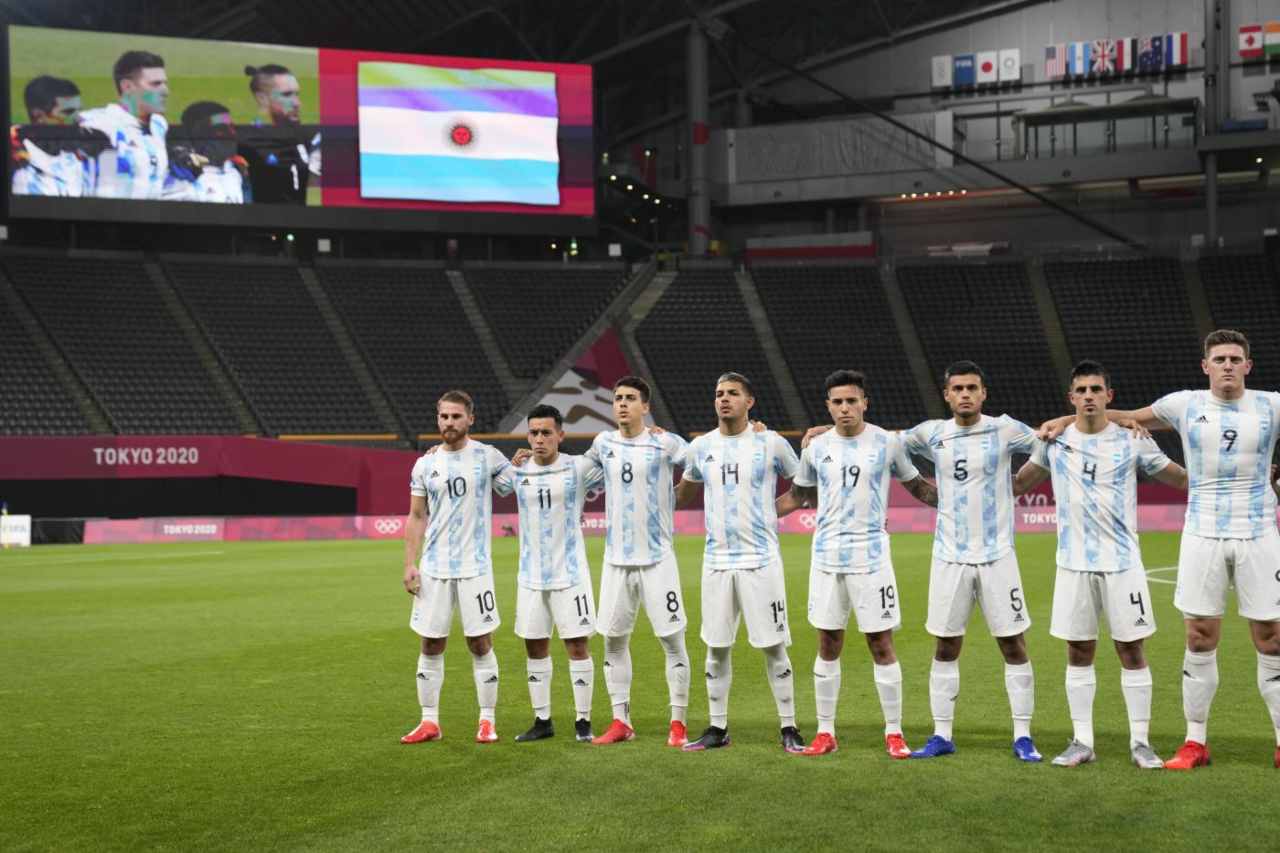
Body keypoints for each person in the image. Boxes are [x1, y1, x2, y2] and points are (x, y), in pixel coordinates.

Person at [1039, 329, 1280, 770]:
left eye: (1235, 359)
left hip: (1260, 532)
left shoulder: (1272, 405)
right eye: (1219, 359)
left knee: (1272, 637)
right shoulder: (1184, 404)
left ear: (1248, 365)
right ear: (1205, 366)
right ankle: (1195, 742)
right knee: (1199, 635)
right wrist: (1062, 420)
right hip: (1202, 532)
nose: (1227, 366)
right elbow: (1117, 414)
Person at [1016, 360, 1187, 769]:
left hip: (1123, 563)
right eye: (1082, 390)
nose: (1089, 396)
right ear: (1071, 398)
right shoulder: (1054, 441)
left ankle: (1141, 742)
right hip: (1073, 564)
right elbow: (1019, 483)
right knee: (1078, 650)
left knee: (1131, 649)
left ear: (1109, 396)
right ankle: (1083, 741)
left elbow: (1181, 479)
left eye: (1096, 389)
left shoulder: (1133, 439)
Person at [777, 370, 939, 757]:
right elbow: (797, 496)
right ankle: (825, 732)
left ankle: (894, 732)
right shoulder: (816, 448)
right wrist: (757, 515)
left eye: (852, 400)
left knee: (880, 643)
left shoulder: (887, 443)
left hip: (872, 558)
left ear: (865, 402)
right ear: (828, 406)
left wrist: (958, 500)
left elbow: (918, 487)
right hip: (827, 558)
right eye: (838, 402)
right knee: (828, 642)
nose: (845, 408)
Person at [902, 361, 1043, 762]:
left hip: (998, 556)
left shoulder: (1005, 429)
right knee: (946, 645)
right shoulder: (932, 433)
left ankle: (1023, 736)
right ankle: (941, 734)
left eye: (972, 388)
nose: (965, 394)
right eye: (958, 388)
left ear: (983, 393)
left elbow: (1048, 444)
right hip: (950, 557)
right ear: (947, 395)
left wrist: (1020, 483)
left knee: (1013, 644)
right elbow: (883, 444)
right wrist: (825, 430)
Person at [674, 372, 806, 753]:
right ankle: (717, 728)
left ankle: (789, 726)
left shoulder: (770, 443)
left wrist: (768, 512)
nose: (724, 399)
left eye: (733, 393)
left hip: (760, 561)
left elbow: (802, 489)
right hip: (716, 561)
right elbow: (682, 494)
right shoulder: (701, 447)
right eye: (719, 393)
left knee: (774, 645)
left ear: (750, 401)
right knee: (716, 648)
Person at [582, 376, 694, 747]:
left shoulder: (665, 443)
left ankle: (678, 723)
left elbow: (702, 462)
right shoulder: (603, 443)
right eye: (618, 398)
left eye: (631, 398)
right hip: (615, 561)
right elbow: (577, 472)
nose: (622, 403)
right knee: (613, 642)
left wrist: (679, 494)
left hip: (657, 559)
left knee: (672, 642)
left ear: (645, 406)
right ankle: (621, 721)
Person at [400, 390, 513, 745]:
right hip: (434, 567)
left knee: (480, 642)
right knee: (431, 643)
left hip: (475, 567)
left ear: (470, 419)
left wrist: (526, 461)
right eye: (444, 416)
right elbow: (416, 515)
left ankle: (487, 720)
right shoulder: (425, 464)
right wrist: (410, 563)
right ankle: (429, 721)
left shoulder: (488, 457)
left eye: (456, 416)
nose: (449, 423)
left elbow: (518, 485)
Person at [502, 405, 603, 744]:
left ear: (560, 435)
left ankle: (583, 721)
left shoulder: (578, 467)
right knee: (534, 646)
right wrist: (436, 450)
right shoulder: (517, 472)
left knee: (577, 646)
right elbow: (481, 474)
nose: (539, 439)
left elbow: (617, 462)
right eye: (534, 433)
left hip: (571, 575)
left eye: (546, 432)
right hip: (530, 577)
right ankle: (542, 720)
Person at [79, 51, 169, 199]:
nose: (165, 91)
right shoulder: (101, 123)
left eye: (165, 83)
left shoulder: (159, 125)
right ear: (127, 86)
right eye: (155, 84)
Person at [10, 75, 108, 197]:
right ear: (39, 116)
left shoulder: (92, 144)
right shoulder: (14, 152)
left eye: (79, 111)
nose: (78, 118)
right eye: (68, 112)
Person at [238, 64, 319, 204]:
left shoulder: (301, 137)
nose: (297, 103)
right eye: (287, 95)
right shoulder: (246, 141)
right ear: (263, 98)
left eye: (297, 94)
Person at [164, 102, 247, 203]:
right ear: (199, 134)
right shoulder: (181, 179)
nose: (232, 133)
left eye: (233, 127)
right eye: (221, 129)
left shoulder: (235, 172)